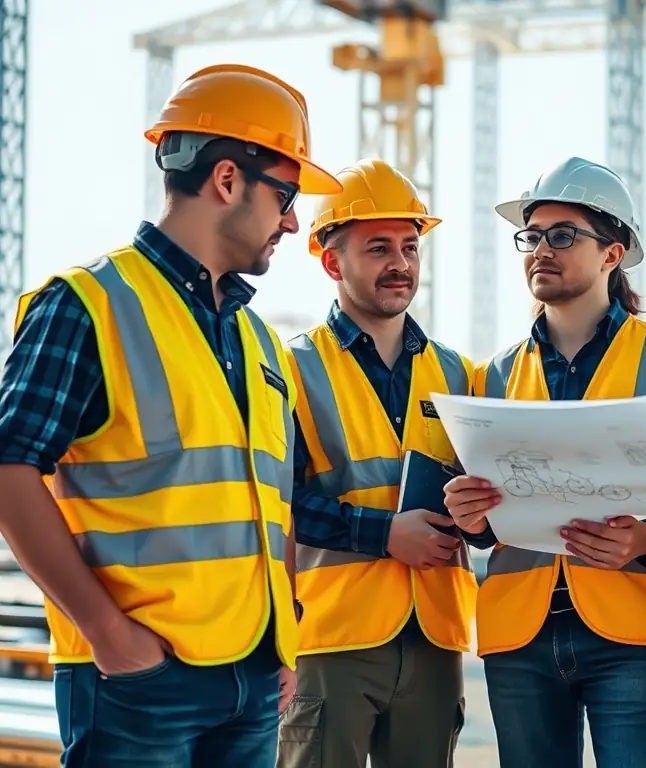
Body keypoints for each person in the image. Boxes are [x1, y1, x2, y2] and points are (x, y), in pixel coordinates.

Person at [0, 64, 342, 767]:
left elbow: (268, 501)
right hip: (138, 676)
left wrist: (283, 639)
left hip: (253, 674)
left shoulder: (259, 341)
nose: (292, 220)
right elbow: (9, 469)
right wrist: (107, 633)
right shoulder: (86, 303)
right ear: (226, 180)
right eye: (285, 193)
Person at [442, 157, 646, 768]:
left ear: (612, 254)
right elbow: (490, 522)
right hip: (520, 632)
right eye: (532, 236)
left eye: (563, 235)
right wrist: (470, 518)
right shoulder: (491, 375)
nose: (542, 249)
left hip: (632, 629)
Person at [276, 158, 477, 768]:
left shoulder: (458, 375)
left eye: (411, 247)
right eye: (379, 248)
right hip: (332, 634)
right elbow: (275, 502)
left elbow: (487, 502)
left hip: (436, 635)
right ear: (333, 262)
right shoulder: (291, 369)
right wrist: (385, 534)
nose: (401, 263)